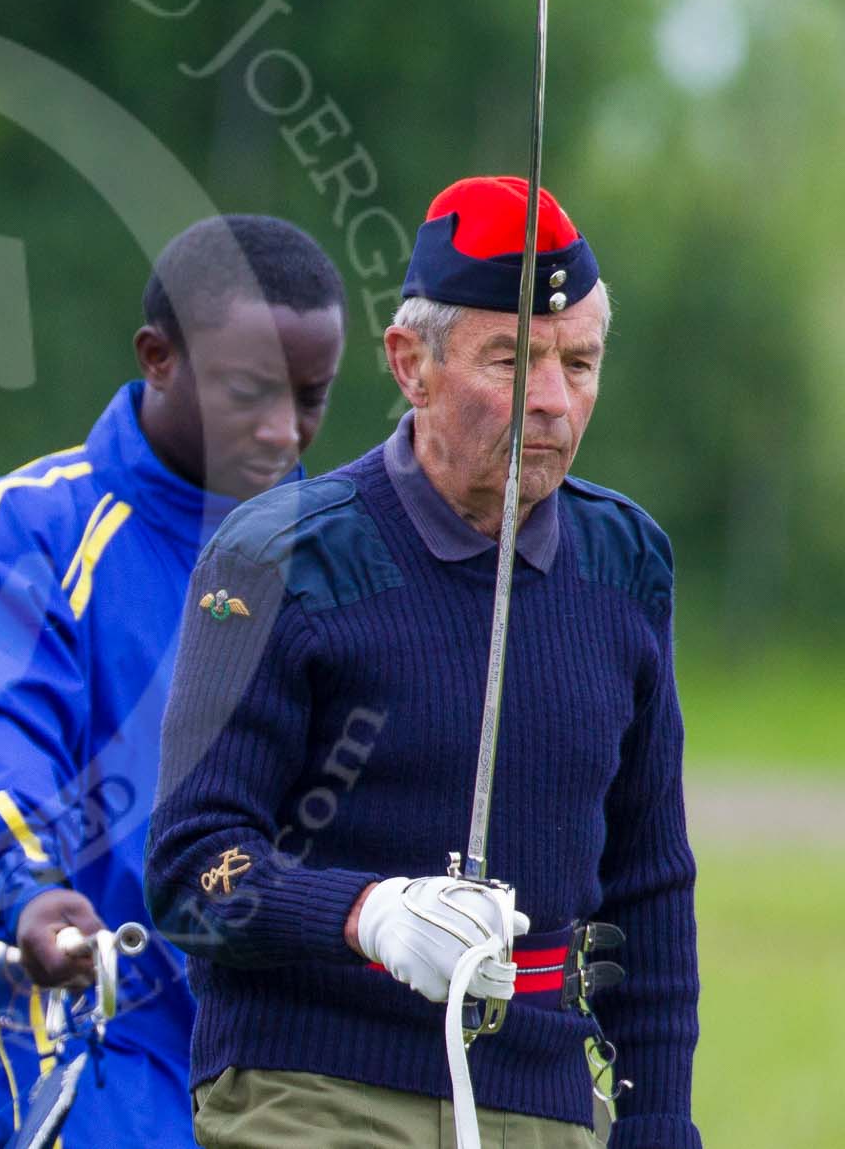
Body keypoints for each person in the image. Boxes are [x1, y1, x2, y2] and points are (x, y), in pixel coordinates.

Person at [145, 177, 699, 1148]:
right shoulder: (275, 559)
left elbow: (645, 882)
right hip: (311, 1090)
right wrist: (364, 913)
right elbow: (194, 867)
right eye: (510, 361)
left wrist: (656, 1120)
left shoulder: (625, 563)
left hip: (545, 1101)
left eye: (579, 362)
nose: (554, 403)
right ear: (410, 363)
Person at [0, 216, 348, 1148]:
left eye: (310, 398)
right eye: (249, 392)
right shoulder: (24, 533)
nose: (280, 430)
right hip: (75, 1022)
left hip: (286, 1053)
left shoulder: (348, 558)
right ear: (158, 358)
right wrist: (28, 889)